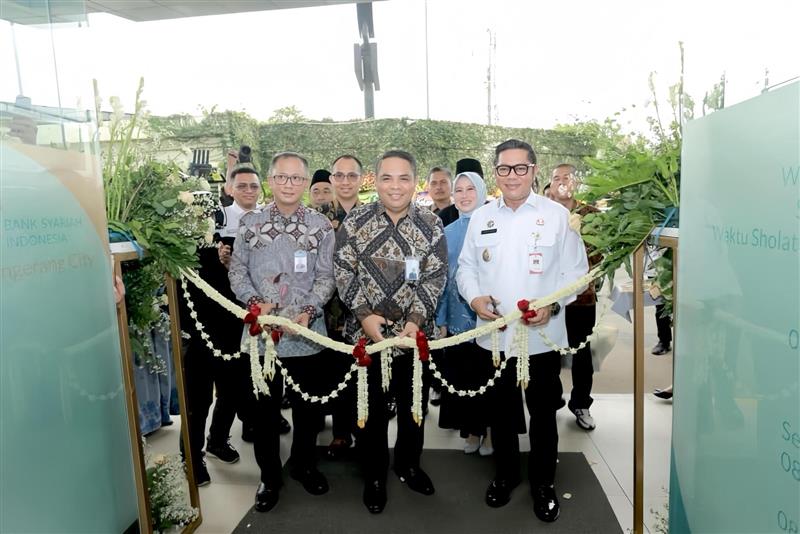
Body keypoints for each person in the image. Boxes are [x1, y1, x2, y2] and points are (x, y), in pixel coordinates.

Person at [457, 139, 588, 523]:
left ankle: (543, 484)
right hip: (494, 339)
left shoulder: (557, 216)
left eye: (520, 168)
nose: (511, 176)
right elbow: (466, 267)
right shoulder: (482, 217)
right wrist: (474, 298)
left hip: (541, 340)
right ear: (495, 172)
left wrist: (553, 305)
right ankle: (506, 475)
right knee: (500, 415)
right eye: (504, 168)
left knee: (543, 416)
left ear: (533, 171)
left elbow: (576, 273)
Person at [334, 149, 447, 514]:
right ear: (375, 180)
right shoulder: (355, 221)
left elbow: (436, 276)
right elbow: (342, 271)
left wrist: (415, 320)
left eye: (403, 178)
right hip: (365, 339)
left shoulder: (432, 224)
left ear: (415, 182)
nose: (395, 186)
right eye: (387, 178)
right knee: (371, 412)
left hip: (415, 339)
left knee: (414, 407)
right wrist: (364, 315)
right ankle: (375, 474)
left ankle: (409, 465)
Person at [229, 151, 337, 513]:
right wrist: (254, 302)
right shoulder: (250, 223)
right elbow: (237, 271)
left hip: (306, 334)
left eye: (296, 178)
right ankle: (269, 477)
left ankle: (304, 465)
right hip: (262, 336)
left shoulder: (321, 226)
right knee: (264, 413)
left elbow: (327, 276)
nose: (289, 184)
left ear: (305, 183)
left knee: (309, 411)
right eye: (281, 177)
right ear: (271, 180)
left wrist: (309, 309)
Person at [435, 171, 494, 455]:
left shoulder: (495, 226)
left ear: (481, 192)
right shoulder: (447, 232)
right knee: (464, 377)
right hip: (458, 319)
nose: (464, 195)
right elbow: (443, 281)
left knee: (490, 377)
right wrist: (441, 319)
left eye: (471, 189)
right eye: (459, 190)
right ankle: (471, 431)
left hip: (492, 316)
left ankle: (492, 432)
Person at [549, 163, 602, 430]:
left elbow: (601, 255)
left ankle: (581, 403)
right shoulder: (543, 214)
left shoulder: (592, 215)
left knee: (581, 354)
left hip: (582, 297)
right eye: (556, 178)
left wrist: (579, 240)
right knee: (549, 353)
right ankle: (552, 400)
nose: (561, 182)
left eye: (567, 177)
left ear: (576, 183)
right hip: (549, 299)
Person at [322, 155, 366, 459]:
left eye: (352, 175)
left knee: (364, 373)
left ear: (361, 179)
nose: (346, 181)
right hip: (329, 311)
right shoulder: (317, 216)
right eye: (339, 175)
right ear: (332, 179)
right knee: (336, 372)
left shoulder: (374, 214)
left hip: (366, 312)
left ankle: (364, 431)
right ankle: (340, 433)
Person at [438, 158, 484, 227]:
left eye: (470, 188)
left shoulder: (493, 211)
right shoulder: (444, 216)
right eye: (459, 189)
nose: (465, 195)